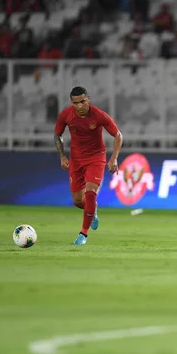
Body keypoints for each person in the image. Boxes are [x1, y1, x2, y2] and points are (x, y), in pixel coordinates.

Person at [54, 86, 123, 245]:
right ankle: (93, 210)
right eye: (75, 103)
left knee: (90, 193)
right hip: (76, 160)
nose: (79, 106)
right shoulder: (66, 115)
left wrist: (114, 158)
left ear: (89, 99)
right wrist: (62, 156)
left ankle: (83, 234)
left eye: (82, 102)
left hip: (96, 157)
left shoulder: (98, 115)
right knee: (79, 201)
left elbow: (118, 135)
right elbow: (57, 134)